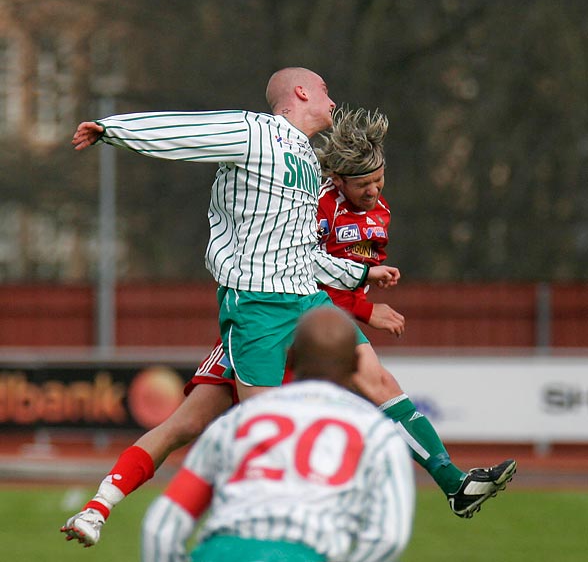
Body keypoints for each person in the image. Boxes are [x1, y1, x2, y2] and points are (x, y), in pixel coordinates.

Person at [61, 76, 515, 546]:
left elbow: (299, 252)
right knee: (236, 429)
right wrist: (112, 129)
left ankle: (454, 485)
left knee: (378, 382)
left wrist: (359, 279)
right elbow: (191, 132)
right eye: (323, 89)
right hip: (257, 307)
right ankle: (110, 509)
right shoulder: (257, 133)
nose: (332, 99)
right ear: (299, 94)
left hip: (306, 301)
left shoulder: (304, 160)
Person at [141, 305, 416, 562]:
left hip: (219, 550)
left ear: (291, 356)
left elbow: (162, 527)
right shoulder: (376, 432)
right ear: (357, 364)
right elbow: (387, 537)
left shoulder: (237, 421)